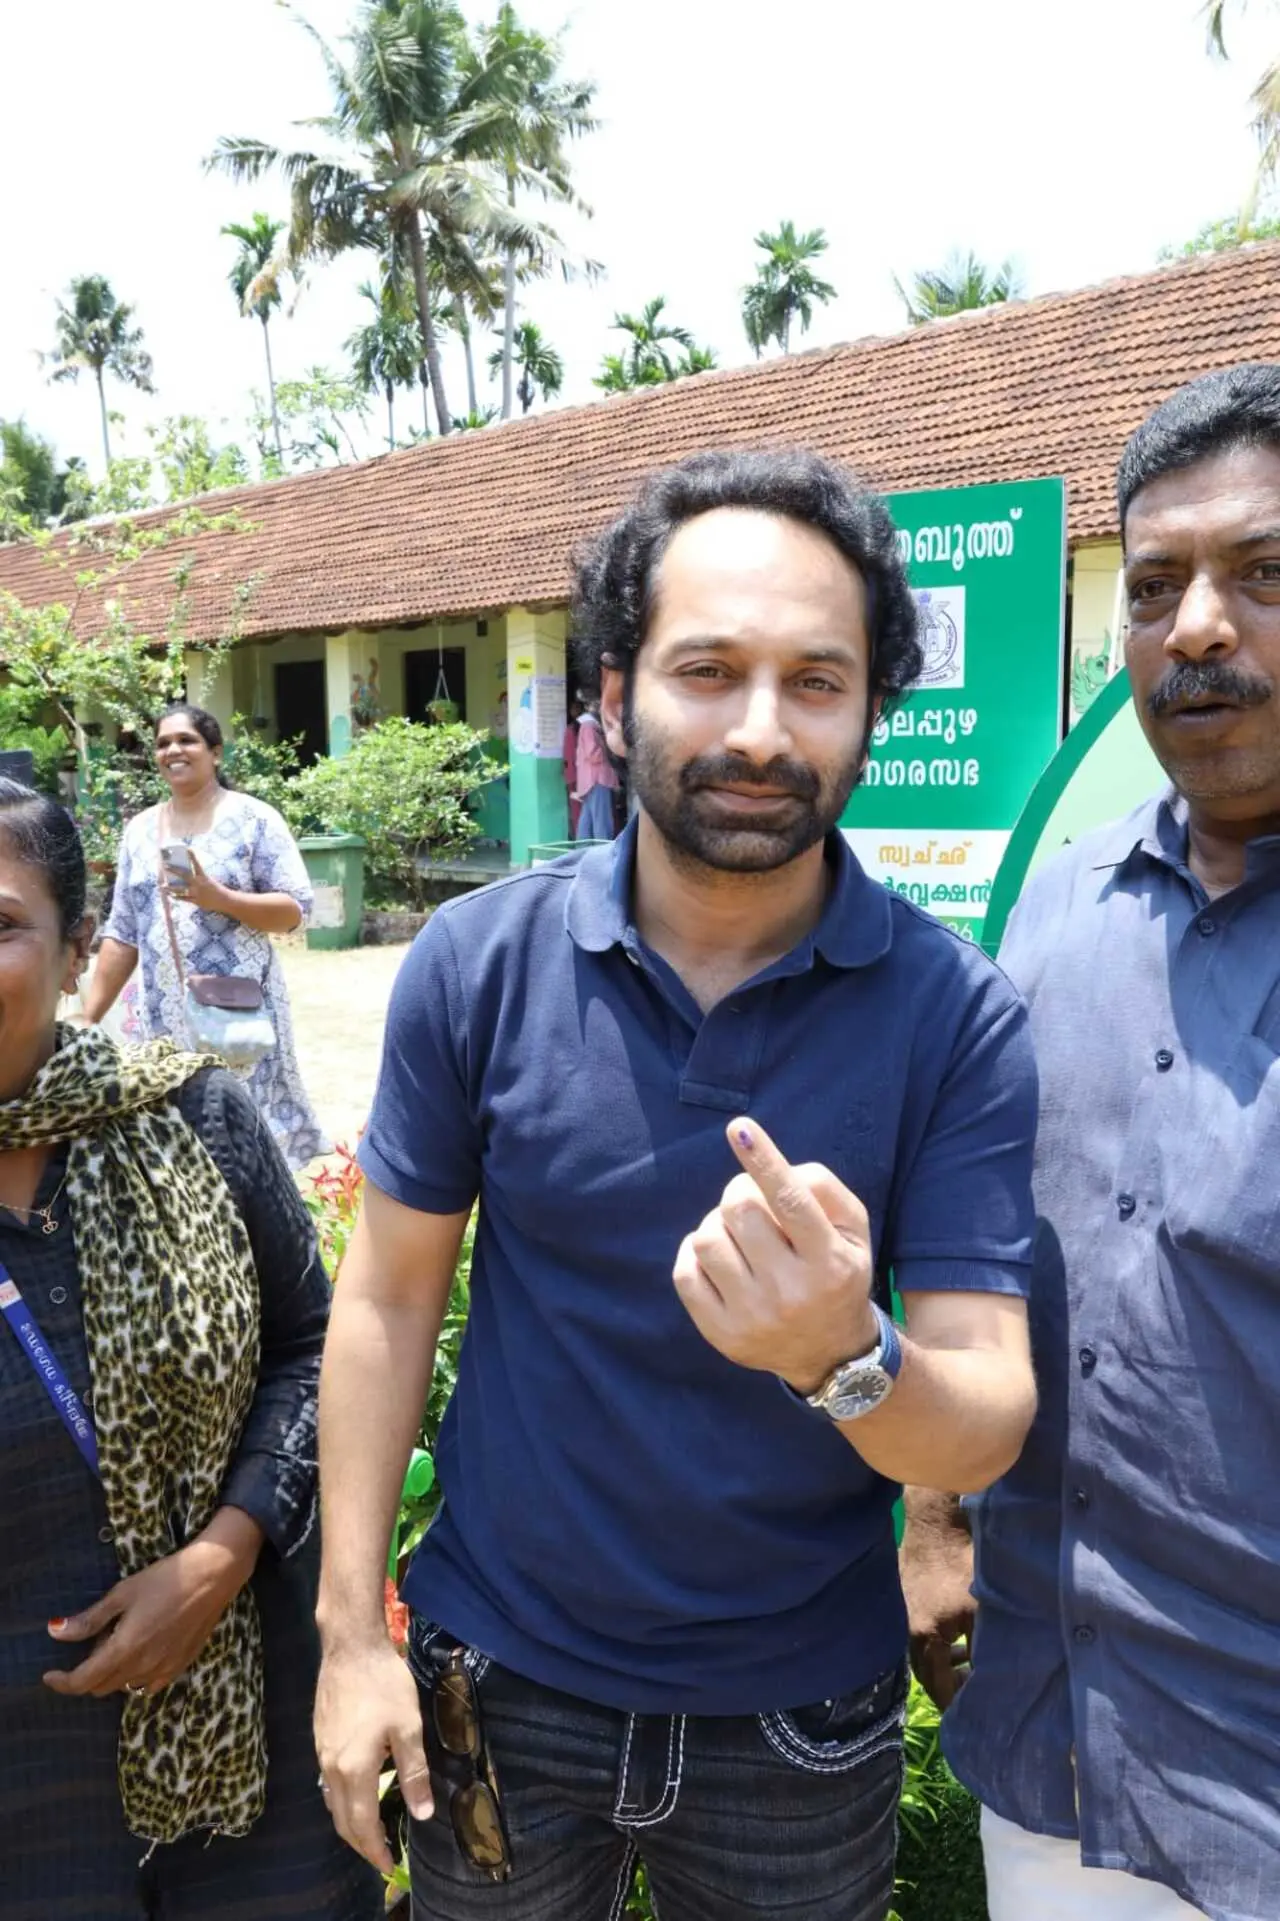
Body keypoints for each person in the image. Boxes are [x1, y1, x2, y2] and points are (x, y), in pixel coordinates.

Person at [312, 449, 1040, 1919]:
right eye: (708, 669)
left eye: (817, 681)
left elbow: (988, 1408)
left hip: (800, 1717)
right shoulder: (480, 965)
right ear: (612, 690)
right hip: (496, 1686)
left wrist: (843, 1356)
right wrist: (349, 1636)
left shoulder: (954, 1015)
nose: (762, 729)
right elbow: (389, 1299)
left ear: (875, 712)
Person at [904, 362, 1280, 1921]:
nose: (1197, 627)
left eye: (1263, 576)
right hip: (1055, 1735)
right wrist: (929, 1516)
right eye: (1154, 588)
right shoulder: (1057, 903)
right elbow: (975, 1226)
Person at [0, 778, 382, 1919]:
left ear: (78, 953)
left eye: (0, 923)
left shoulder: (199, 1125)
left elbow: (318, 1350)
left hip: (252, 1763)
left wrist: (222, 1553)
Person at [81, 702, 327, 1171]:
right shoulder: (139, 831)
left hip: (237, 1017)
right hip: (164, 1025)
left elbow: (297, 911)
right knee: (181, 1148)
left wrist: (221, 898)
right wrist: (89, 1016)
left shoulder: (254, 819)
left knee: (247, 1144)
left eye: (186, 740)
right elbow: (124, 933)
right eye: (162, 743)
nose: (173, 750)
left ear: (215, 752)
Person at [573, 695, 620, 839]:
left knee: (587, 820)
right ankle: (604, 854)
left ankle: (582, 852)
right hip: (597, 779)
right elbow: (594, 755)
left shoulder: (589, 726)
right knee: (602, 821)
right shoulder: (589, 727)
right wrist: (609, 745)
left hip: (591, 781)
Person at [562, 695, 583, 836]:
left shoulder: (572, 729)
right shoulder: (588, 727)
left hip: (575, 776)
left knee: (577, 811)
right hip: (582, 775)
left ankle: (579, 837)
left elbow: (568, 756)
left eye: (576, 708)